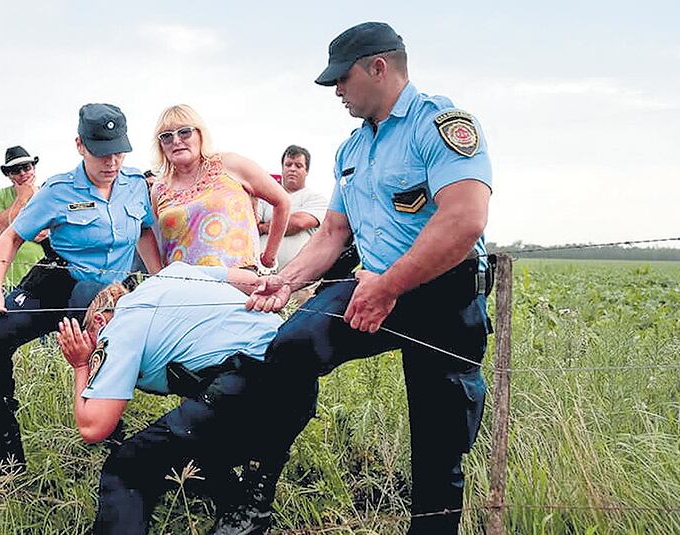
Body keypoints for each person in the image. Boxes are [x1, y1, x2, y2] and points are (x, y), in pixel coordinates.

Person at [237, 22, 495, 535]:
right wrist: (286, 281)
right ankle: (255, 494)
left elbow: (465, 219)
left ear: (378, 68)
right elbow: (333, 232)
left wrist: (389, 286)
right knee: (291, 347)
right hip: (374, 287)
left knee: (439, 445)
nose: (336, 91)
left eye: (342, 78)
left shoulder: (440, 123)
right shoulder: (351, 150)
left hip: (443, 293)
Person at [0, 103, 162, 489]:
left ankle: (113, 438)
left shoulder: (136, 186)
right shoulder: (58, 190)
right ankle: (6, 456)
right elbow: (11, 235)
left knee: (102, 318)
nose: (111, 162)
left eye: (118, 152)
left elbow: (144, 231)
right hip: (58, 280)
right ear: (80, 145)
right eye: (101, 152)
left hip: (108, 290)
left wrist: (159, 281)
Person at [55, 261, 281, 534]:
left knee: (126, 467)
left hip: (244, 384)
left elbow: (94, 427)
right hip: (293, 376)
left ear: (100, 320)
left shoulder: (120, 325)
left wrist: (80, 365)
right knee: (191, 439)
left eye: (86, 344)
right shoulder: (174, 272)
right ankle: (241, 506)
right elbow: (251, 280)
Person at [150, 104, 290, 269]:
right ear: (160, 145)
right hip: (182, 287)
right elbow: (156, 241)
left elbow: (282, 201)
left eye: (184, 132)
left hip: (238, 283)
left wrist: (268, 257)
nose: (176, 140)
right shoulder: (159, 189)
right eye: (166, 136)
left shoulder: (230, 164)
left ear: (200, 134)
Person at [0, 145, 55, 286]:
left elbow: (55, 231)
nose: (23, 173)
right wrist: (22, 199)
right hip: (10, 278)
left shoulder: (49, 193)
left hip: (46, 275)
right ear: (9, 174)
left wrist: (23, 232)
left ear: (34, 168)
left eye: (27, 167)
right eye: (16, 170)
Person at [256, 145, 328, 270]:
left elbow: (298, 223)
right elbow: (251, 225)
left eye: (298, 166)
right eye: (288, 165)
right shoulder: (265, 197)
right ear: (282, 169)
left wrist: (263, 227)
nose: (292, 169)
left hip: (298, 283)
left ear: (307, 171)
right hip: (260, 277)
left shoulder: (317, 199)